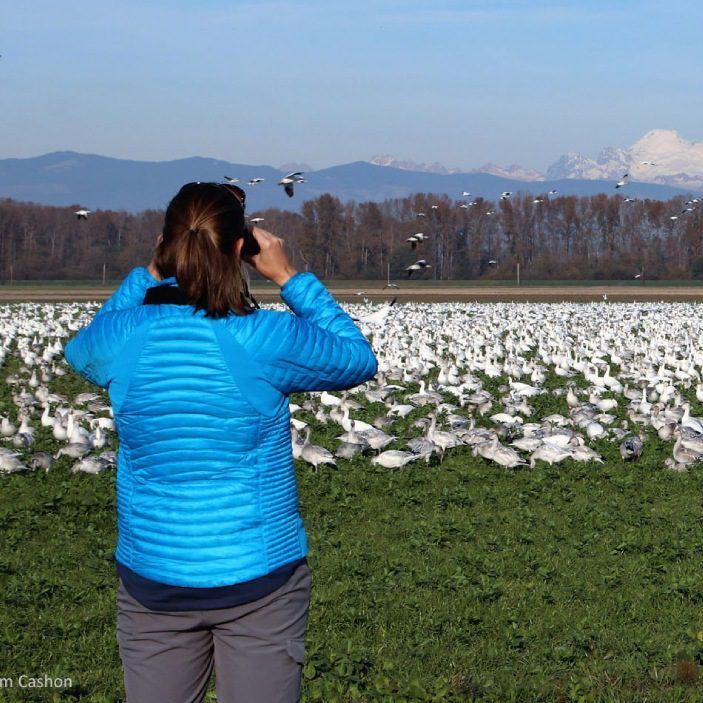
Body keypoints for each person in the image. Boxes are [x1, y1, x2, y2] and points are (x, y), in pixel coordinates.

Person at [64, 181, 378, 703]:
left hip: (152, 582)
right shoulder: (263, 338)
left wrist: (150, 273)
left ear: (167, 244)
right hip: (260, 582)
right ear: (240, 248)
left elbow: (84, 346)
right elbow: (357, 358)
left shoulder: (119, 339)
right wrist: (288, 277)